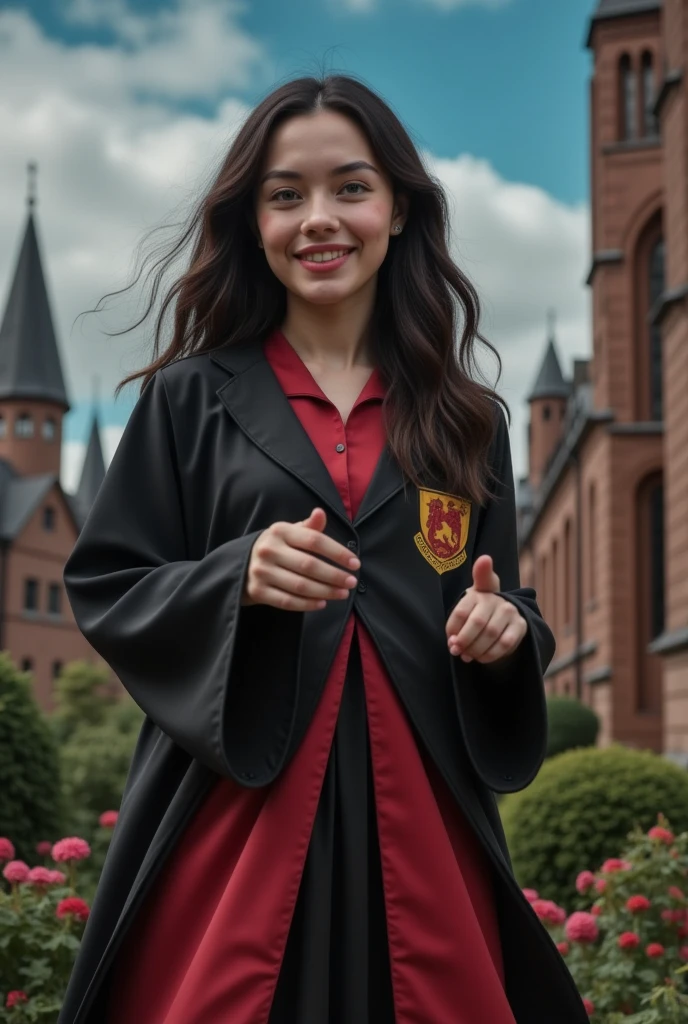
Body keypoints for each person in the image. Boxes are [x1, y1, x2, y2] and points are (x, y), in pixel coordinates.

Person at [58, 74, 589, 1023]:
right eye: (284, 194)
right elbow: (108, 582)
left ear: (398, 208)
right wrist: (236, 578)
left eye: (350, 186)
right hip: (234, 813)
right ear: (252, 221)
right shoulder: (189, 400)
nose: (319, 218)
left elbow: (505, 598)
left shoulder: (470, 422)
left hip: (424, 817)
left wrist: (506, 628)